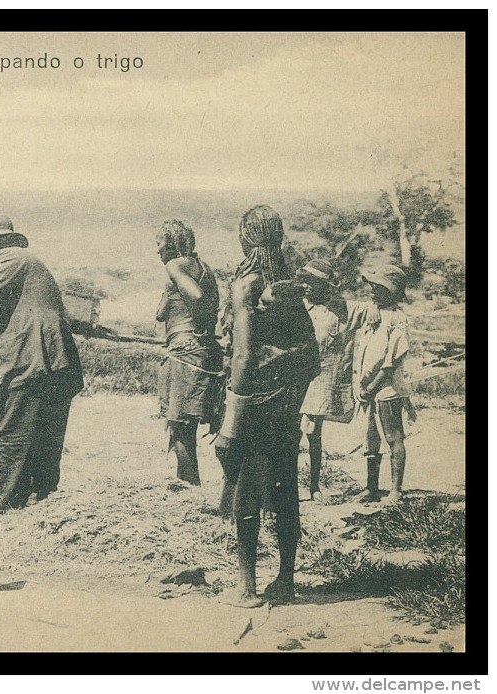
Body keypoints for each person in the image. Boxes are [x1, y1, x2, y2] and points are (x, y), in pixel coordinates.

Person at [215, 205, 319, 608]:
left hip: (255, 402)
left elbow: (242, 356)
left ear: (245, 237)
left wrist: (231, 420)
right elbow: (310, 353)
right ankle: (286, 581)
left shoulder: (247, 285)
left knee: (246, 489)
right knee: (284, 486)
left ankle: (247, 589)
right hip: (286, 402)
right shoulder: (288, 285)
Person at [0, 215, 84, 510]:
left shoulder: (11, 257)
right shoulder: (26, 264)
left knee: (11, 434)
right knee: (43, 438)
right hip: (55, 361)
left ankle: (6, 508)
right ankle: (40, 504)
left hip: (31, 358)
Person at [295, 259, 379, 502]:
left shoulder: (341, 308)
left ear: (326, 286)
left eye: (314, 282)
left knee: (313, 433)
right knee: (289, 434)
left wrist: (374, 304)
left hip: (319, 381)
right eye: (305, 280)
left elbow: (376, 309)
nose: (307, 286)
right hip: (293, 380)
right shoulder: (296, 307)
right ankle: (285, 486)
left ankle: (314, 487)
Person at [154, 220, 223, 485]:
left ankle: (189, 484)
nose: (157, 251)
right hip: (203, 349)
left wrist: (175, 282)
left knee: (180, 424)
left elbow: (195, 296)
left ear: (171, 243)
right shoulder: (204, 267)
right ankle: (187, 481)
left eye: (159, 244)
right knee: (186, 425)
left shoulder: (176, 265)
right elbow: (161, 314)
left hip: (185, 349)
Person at [352, 264, 414, 505]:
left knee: (393, 436)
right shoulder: (373, 314)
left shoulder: (397, 318)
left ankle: (396, 490)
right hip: (367, 389)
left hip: (386, 388)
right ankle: (371, 487)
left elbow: (391, 361)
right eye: (372, 287)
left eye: (378, 288)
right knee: (370, 438)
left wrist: (373, 386)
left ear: (392, 291)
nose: (372, 292)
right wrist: (364, 387)